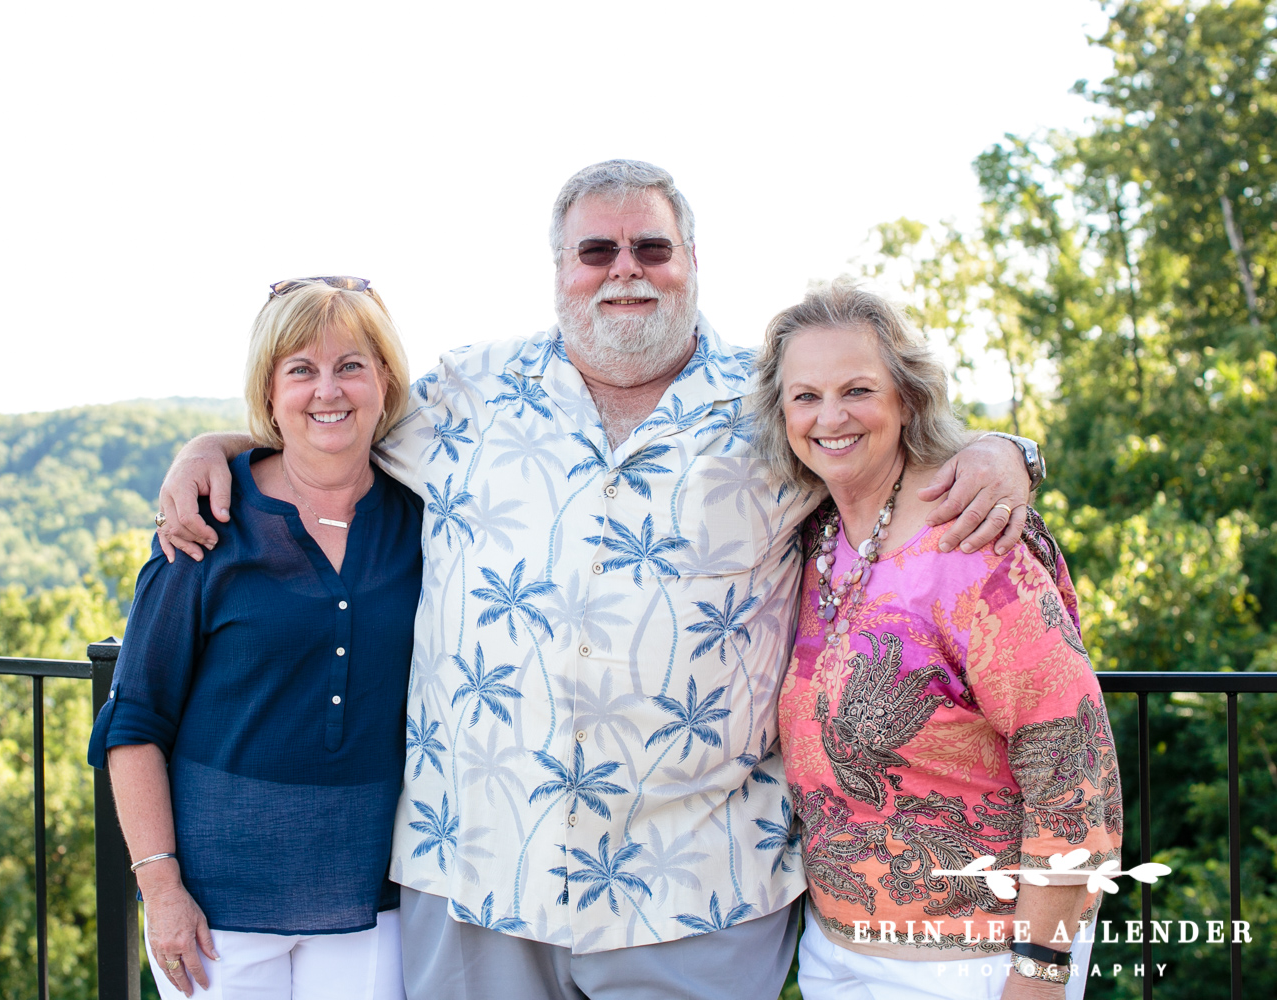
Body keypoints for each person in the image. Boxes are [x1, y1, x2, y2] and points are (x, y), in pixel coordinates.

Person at [155, 161, 1041, 999]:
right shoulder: (471, 388)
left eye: (652, 248)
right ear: (559, 268)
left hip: (697, 891)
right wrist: (217, 447)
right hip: (478, 879)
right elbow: (331, 417)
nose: (626, 271)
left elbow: (890, 444)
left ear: (691, 261)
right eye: (597, 251)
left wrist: (1009, 451)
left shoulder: (775, 400)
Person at [753, 280, 1121, 999]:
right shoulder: (812, 539)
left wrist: (1040, 974)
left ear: (906, 399)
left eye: (857, 389)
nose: (831, 416)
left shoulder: (973, 545)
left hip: (975, 970)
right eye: (806, 397)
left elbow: (1076, 775)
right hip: (835, 958)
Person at [87, 277, 422, 1000]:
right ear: (269, 392)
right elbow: (134, 721)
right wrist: (161, 886)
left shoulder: (426, 518)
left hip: (373, 900)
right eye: (300, 369)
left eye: (350, 365)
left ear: (386, 381)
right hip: (215, 911)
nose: (327, 390)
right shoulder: (208, 520)